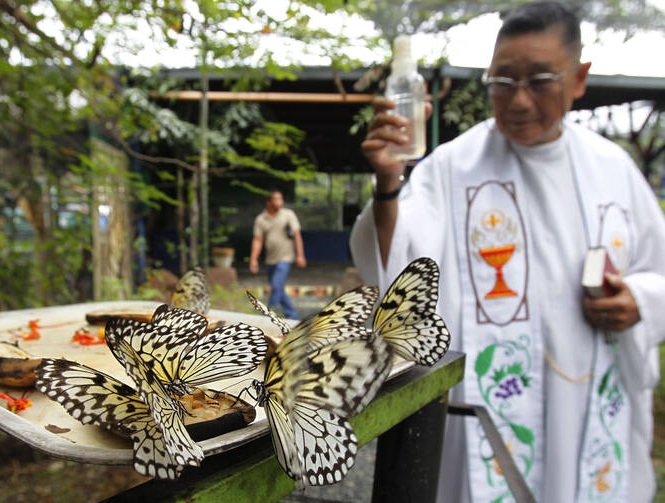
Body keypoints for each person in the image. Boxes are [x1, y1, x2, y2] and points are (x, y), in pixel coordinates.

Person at [350, 2, 665, 502]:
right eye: (501, 82)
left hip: (585, 399)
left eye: (539, 80)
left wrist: (639, 301)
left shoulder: (614, 170)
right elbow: (397, 263)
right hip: (491, 407)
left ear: (579, 78)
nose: (517, 101)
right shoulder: (453, 167)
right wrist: (389, 181)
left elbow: (658, 270)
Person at [250, 190, 307, 319]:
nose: (280, 202)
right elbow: (258, 240)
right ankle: (292, 315)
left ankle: (268, 316)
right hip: (270, 260)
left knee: (276, 286)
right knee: (278, 289)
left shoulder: (288, 215)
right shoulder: (261, 219)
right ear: (268, 202)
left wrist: (300, 255)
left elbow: (297, 235)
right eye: (276, 199)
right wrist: (253, 259)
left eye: (281, 199)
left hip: (285, 257)